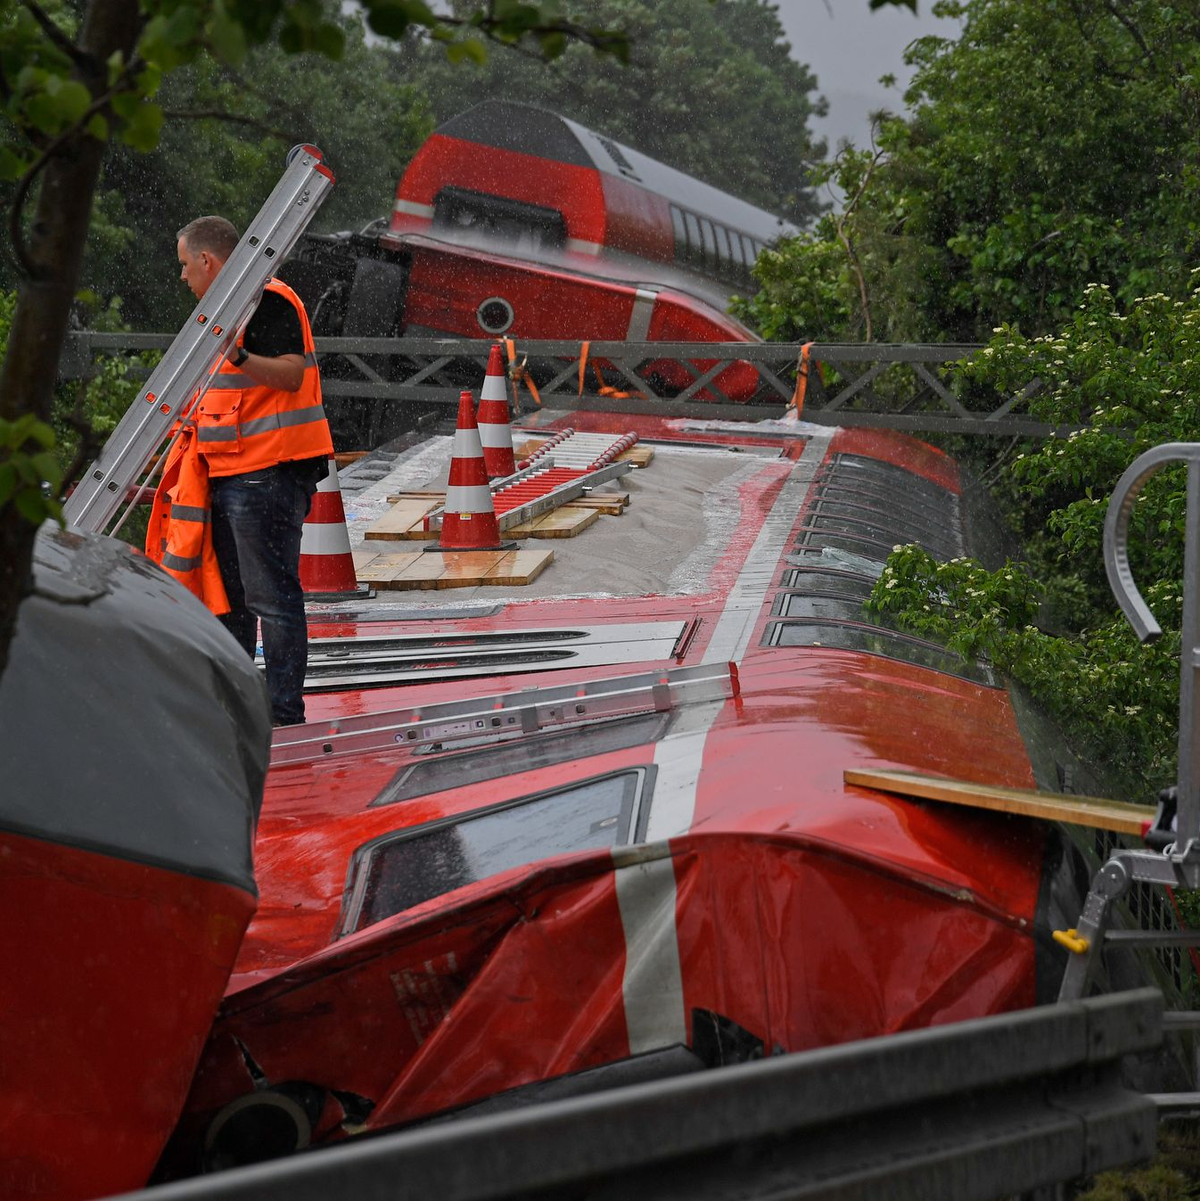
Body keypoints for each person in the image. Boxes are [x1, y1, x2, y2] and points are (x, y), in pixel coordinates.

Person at [175, 215, 333, 727]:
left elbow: (291, 375)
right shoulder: (226, 312)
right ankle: (246, 707)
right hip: (233, 473)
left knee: (269, 597)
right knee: (235, 597)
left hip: (267, 473)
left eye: (184, 266)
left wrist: (239, 354)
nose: (182, 278)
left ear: (207, 261)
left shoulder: (265, 300)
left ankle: (281, 712)